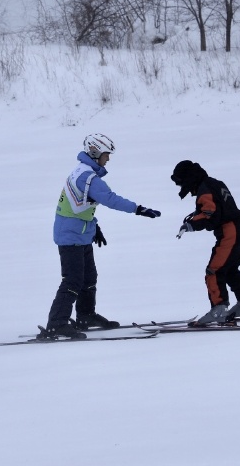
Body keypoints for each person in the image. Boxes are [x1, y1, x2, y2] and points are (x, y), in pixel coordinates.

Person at [40, 133, 162, 340]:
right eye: (106, 154)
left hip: (80, 233)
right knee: (72, 280)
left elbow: (80, 205)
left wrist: (94, 227)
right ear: (95, 152)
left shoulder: (84, 172)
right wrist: (138, 209)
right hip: (70, 235)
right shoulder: (87, 177)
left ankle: (86, 316)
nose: (108, 159)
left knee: (89, 278)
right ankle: (56, 323)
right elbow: (110, 199)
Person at [171, 159, 240, 325]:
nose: (180, 187)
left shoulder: (205, 189)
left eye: (180, 182)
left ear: (188, 178)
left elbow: (210, 213)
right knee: (229, 269)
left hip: (231, 231)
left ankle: (218, 310)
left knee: (214, 270)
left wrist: (191, 224)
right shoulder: (213, 183)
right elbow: (218, 208)